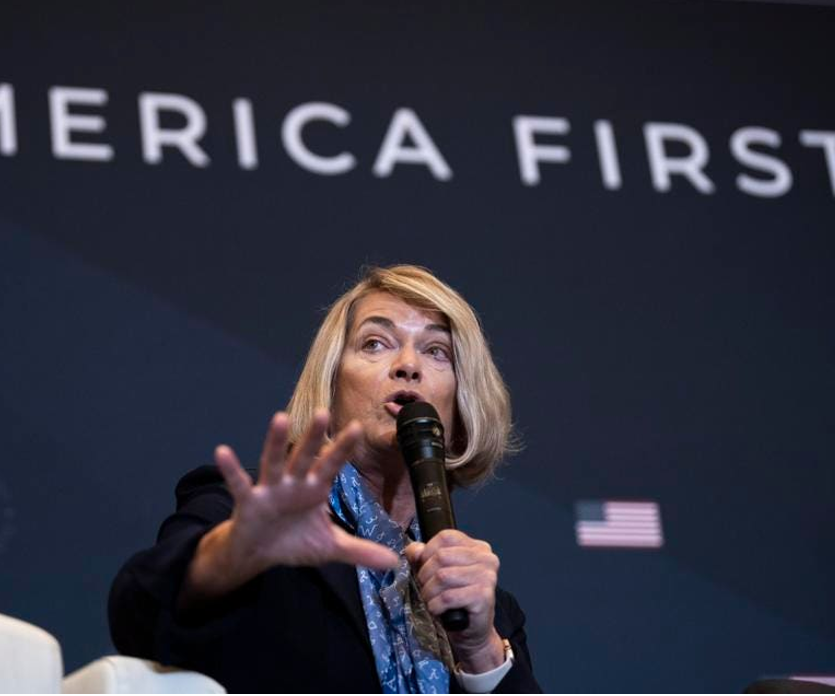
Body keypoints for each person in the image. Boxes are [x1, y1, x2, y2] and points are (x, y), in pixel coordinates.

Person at [109, 265, 540, 693]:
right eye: (376, 343)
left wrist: (480, 649)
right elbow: (137, 616)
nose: (408, 365)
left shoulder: (488, 608)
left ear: (461, 404)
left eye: (436, 351)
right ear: (330, 387)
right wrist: (235, 552)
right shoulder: (257, 519)